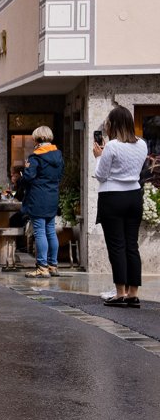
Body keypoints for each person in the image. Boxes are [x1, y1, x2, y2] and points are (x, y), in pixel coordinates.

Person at [93, 106, 148, 307]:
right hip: (134, 196)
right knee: (131, 245)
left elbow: (101, 175)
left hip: (112, 196)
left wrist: (98, 156)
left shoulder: (113, 146)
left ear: (113, 124)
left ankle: (119, 293)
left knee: (117, 245)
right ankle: (133, 293)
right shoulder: (142, 144)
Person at [21, 126, 64, 278]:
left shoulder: (35, 157)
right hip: (52, 196)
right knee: (50, 231)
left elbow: (28, 178)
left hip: (37, 198)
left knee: (39, 232)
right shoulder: (58, 155)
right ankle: (53, 265)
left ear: (36, 139)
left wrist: (26, 169)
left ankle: (42, 267)